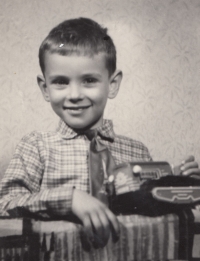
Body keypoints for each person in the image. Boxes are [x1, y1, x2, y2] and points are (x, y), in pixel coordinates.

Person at [0, 18, 199, 248]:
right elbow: (5, 206)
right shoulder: (35, 146)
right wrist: (68, 199)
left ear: (112, 84)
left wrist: (178, 184)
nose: (74, 94)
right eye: (61, 82)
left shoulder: (138, 151)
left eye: (89, 80)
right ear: (45, 88)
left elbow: (153, 214)